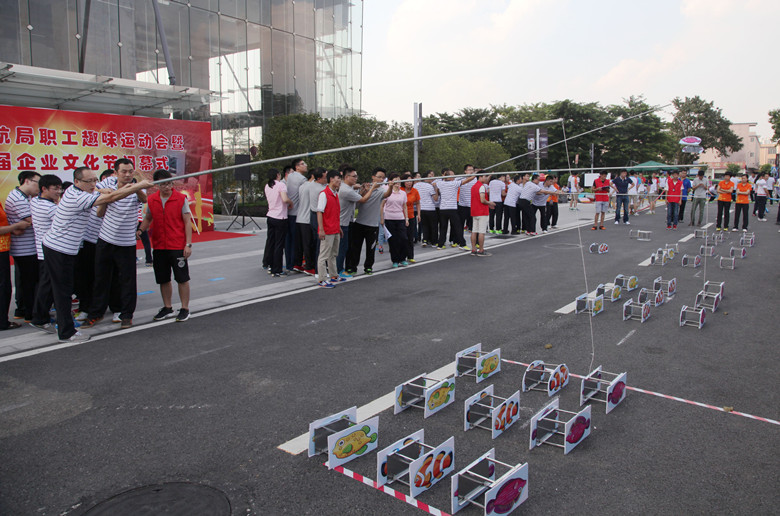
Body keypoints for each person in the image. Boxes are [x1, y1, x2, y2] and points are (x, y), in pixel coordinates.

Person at [43, 167, 151, 342]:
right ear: (77, 182)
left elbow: (105, 193)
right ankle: (66, 333)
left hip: (64, 249)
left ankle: (66, 328)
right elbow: (110, 198)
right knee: (63, 292)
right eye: (89, 181)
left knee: (64, 290)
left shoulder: (78, 190)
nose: (94, 184)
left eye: (95, 180)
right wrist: (139, 186)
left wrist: (113, 189)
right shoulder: (78, 197)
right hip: (58, 250)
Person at [82, 158, 148, 329]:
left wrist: (136, 187)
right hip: (105, 239)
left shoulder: (137, 186)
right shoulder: (108, 183)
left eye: (130, 171)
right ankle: (96, 313)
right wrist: (105, 191)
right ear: (116, 172)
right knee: (100, 278)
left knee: (127, 281)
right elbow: (95, 189)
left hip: (126, 243)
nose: (127, 174)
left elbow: (143, 199)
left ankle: (126, 315)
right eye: (123, 171)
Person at [138, 169, 194, 321]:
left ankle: (185, 308)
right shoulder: (152, 199)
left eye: (169, 183)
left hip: (177, 245)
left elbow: (187, 222)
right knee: (163, 279)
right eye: (163, 184)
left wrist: (188, 244)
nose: (167, 187)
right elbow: (148, 218)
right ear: (157, 185)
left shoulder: (181, 199)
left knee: (182, 278)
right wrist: (140, 230)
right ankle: (167, 307)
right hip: (159, 246)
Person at [5, 170, 41, 322]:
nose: (39, 187)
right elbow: (33, 220)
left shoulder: (25, 197)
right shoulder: (18, 198)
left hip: (27, 246)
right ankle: (30, 313)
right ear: (27, 181)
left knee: (26, 281)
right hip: (24, 248)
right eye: (37, 183)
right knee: (30, 282)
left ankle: (23, 310)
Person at [29, 175, 63, 333]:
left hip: (42, 250)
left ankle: (41, 316)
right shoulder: (50, 208)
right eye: (55, 189)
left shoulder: (35, 201)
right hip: (50, 252)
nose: (59, 192)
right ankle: (40, 318)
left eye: (60, 188)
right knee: (47, 286)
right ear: (44, 189)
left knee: (45, 285)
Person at [345, 168, 391, 275]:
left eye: (383, 178)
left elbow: (387, 194)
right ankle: (352, 267)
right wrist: (363, 191)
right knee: (355, 247)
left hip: (373, 225)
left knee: (371, 249)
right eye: (379, 177)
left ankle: (368, 267)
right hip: (359, 223)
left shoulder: (381, 191)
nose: (381, 179)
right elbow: (357, 204)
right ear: (373, 177)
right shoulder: (364, 187)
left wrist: (391, 186)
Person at [336, 166, 378, 278]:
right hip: (342, 223)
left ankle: (343, 268)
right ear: (346, 177)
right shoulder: (346, 190)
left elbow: (359, 197)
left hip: (347, 222)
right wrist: (372, 189)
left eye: (356, 176)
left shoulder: (348, 188)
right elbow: (363, 200)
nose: (356, 178)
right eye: (354, 176)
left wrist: (364, 190)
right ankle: (338, 270)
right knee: (342, 248)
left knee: (346, 247)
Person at [0, 205, 31, 331]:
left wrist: (11, 230)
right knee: (3, 287)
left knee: (5, 287)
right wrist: (16, 226)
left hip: (3, 248)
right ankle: (2, 321)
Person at [434, 168, 476, 250]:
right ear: (449, 177)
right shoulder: (454, 183)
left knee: (443, 227)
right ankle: (462, 244)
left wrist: (436, 186)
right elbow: (467, 180)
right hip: (451, 209)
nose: (454, 176)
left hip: (443, 209)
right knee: (458, 227)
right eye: (453, 175)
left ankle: (440, 245)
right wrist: (474, 175)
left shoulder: (440, 183)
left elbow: (434, 183)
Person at [262, 168, 293, 277]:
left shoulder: (267, 186)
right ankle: (277, 269)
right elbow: (285, 199)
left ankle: (270, 266)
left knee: (271, 242)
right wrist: (291, 202)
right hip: (280, 217)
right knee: (279, 244)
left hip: (270, 216)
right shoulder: (281, 185)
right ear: (278, 175)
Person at [316, 170, 343, 288]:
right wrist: (321, 229)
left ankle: (333, 275)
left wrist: (339, 227)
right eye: (338, 178)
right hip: (327, 230)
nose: (340, 181)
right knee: (324, 255)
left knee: (333, 254)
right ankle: (322, 279)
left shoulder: (335, 194)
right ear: (331, 179)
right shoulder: (324, 194)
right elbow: (319, 212)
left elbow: (335, 213)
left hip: (335, 229)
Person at [381, 173, 409, 267]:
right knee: (393, 240)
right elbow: (382, 205)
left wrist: (406, 218)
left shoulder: (403, 193)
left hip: (400, 218)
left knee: (403, 238)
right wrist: (382, 219)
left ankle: (402, 258)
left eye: (399, 179)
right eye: (395, 179)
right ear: (391, 181)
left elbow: (404, 206)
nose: (398, 182)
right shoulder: (388, 192)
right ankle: (395, 260)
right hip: (389, 218)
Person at [284, 159, 308, 272]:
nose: (305, 165)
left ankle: (290, 263)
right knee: (296, 241)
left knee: (289, 241)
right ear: (297, 167)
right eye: (303, 164)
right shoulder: (302, 179)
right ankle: (295, 263)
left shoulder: (290, 176)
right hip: (297, 213)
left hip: (288, 213)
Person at [470, 173, 494, 256]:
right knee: (481, 232)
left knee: (474, 231)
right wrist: (490, 203)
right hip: (482, 211)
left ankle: (473, 249)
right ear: (480, 177)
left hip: (474, 211)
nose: (486, 178)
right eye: (485, 176)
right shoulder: (481, 187)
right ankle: (481, 250)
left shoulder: (473, 187)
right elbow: (482, 200)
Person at [414, 171, 438, 247]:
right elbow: (435, 198)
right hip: (430, 208)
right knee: (433, 226)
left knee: (424, 225)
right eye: (429, 177)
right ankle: (434, 242)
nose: (431, 178)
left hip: (421, 208)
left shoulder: (416, 185)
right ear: (425, 178)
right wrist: (435, 188)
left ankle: (425, 240)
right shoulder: (430, 186)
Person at [401, 174, 420, 262]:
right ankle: (401, 257)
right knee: (402, 237)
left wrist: (419, 214)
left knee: (410, 237)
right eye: (407, 181)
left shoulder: (415, 191)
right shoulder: (400, 190)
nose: (409, 183)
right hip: (400, 216)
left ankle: (410, 256)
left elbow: (418, 203)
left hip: (411, 216)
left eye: (411, 181)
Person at [457, 165, 475, 233]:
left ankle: (475, 239)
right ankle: (459, 238)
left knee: (473, 226)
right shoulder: (460, 179)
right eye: (469, 170)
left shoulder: (476, 179)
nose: (471, 171)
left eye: (472, 170)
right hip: (462, 205)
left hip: (472, 205)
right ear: (465, 171)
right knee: (460, 224)